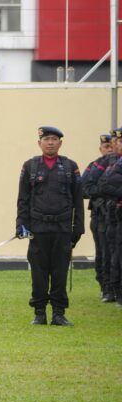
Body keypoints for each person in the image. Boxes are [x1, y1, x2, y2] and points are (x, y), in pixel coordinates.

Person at [18, 126, 84, 326]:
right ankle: (39, 313)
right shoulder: (30, 166)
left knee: (59, 272)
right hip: (38, 229)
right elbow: (23, 199)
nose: (50, 142)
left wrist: (77, 229)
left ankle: (58, 313)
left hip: (62, 229)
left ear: (60, 143)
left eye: (54, 139)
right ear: (39, 143)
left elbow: (78, 201)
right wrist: (21, 224)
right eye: (46, 139)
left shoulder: (71, 167)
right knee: (38, 273)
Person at [81, 133, 114, 301]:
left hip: (115, 214)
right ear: (100, 149)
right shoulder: (95, 166)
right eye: (106, 147)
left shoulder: (117, 164)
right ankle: (106, 287)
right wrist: (101, 194)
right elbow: (83, 188)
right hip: (100, 215)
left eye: (111, 146)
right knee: (103, 252)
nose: (109, 150)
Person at [95, 129, 122, 308]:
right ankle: (111, 290)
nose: (113, 146)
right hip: (108, 215)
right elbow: (99, 185)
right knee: (110, 254)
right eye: (114, 142)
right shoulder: (106, 163)